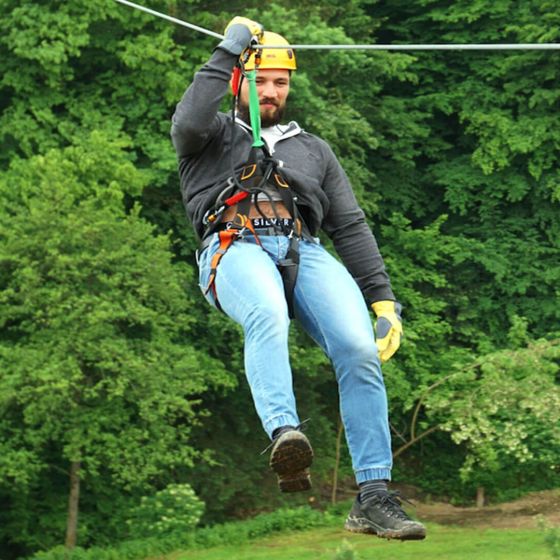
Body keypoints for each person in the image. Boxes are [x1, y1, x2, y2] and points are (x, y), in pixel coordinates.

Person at [171, 16, 426, 540]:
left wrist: (382, 300)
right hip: (233, 246)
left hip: (301, 248)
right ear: (241, 81)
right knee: (265, 311)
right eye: (261, 80)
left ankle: (374, 496)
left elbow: (350, 226)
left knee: (357, 347)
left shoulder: (312, 149)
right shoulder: (212, 134)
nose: (271, 91)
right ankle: (286, 435)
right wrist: (231, 48)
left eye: (280, 83)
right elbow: (188, 121)